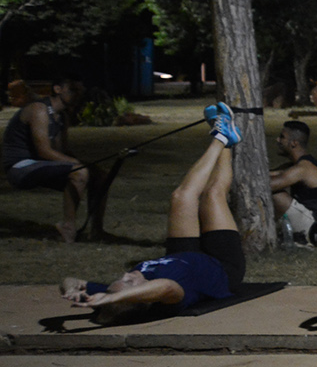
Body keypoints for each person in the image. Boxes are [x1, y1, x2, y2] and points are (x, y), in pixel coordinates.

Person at [57, 103, 246, 324]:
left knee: (180, 196)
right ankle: (221, 137)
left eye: (122, 279)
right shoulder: (171, 297)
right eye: (129, 283)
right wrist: (118, 296)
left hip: (181, 254)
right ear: (142, 297)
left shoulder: (122, 288)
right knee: (213, 195)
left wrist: (72, 290)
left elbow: (69, 279)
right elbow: (165, 286)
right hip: (222, 267)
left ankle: (224, 136)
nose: (126, 275)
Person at [5, 78, 90, 242]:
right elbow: (44, 151)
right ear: (57, 89)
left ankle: (97, 229)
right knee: (79, 172)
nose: (78, 95)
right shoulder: (39, 109)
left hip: (40, 164)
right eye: (72, 89)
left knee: (98, 175)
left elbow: (60, 151)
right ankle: (68, 227)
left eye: (80, 91)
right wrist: (78, 165)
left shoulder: (61, 116)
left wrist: (83, 164)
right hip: (20, 166)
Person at [268, 120, 317, 242]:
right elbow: (266, 174)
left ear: (294, 143)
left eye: (282, 137)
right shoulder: (297, 165)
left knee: (273, 192)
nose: (277, 140)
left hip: (313, 226)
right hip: (309, 219)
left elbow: (269, 185)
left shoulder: (304, 168)